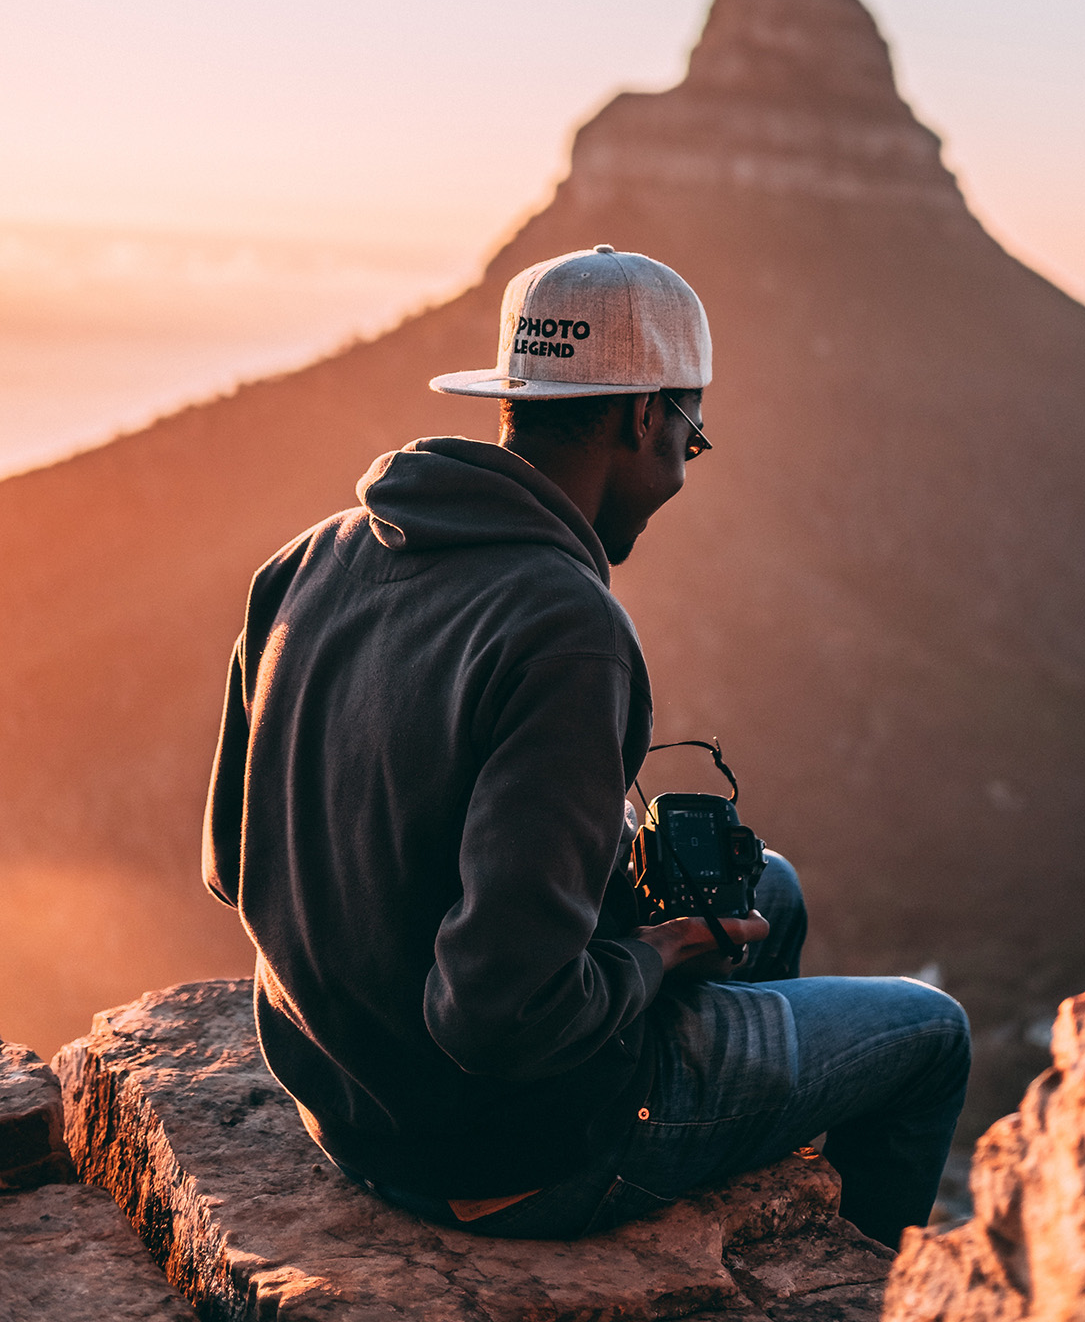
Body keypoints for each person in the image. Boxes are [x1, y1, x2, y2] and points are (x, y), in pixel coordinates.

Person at [203, 244, 968, 1247]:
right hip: (504, 1153)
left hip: (342, 1097)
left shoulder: (313, 553)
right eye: (688, 440)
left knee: (765, 890)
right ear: (645, 415)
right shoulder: (563, 623)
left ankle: (728, 1131)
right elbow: (500, 1016)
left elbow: (231, 860)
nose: (678, 474)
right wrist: (653, 951)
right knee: (929, 1031)